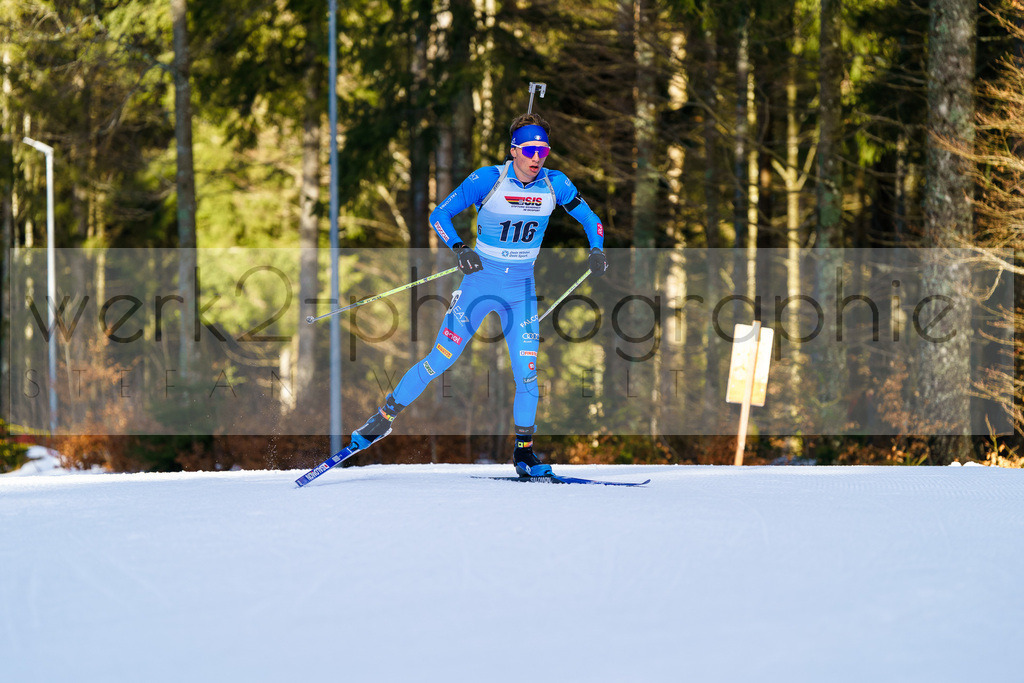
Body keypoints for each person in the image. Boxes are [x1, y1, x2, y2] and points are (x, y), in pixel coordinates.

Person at [347, 112, 608, 477]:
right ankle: (381, 419)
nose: (537, 158)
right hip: (479, 285)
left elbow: (592, 219)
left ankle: (524, 454)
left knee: (528, 373)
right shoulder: (489, 179)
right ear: (514, 150)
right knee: (440, 360)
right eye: (530, 150)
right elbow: (440, 214)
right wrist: (459, 247)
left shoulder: (555, 184)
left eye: (543, 151)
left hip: (521, 291)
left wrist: (597, 249)